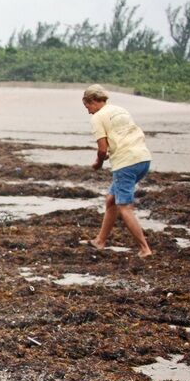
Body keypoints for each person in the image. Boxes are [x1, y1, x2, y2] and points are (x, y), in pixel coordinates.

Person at [81, 84, 153, 258]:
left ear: (94, 101)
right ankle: (100, 241)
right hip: (143, 158)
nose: (89, 111)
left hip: (125, 163)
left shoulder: (98, 117)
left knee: (124, 206)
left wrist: (98, 162)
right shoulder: (120, 110)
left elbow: (102, 149)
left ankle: (145, 249)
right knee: (111, 200)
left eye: (87, 106)